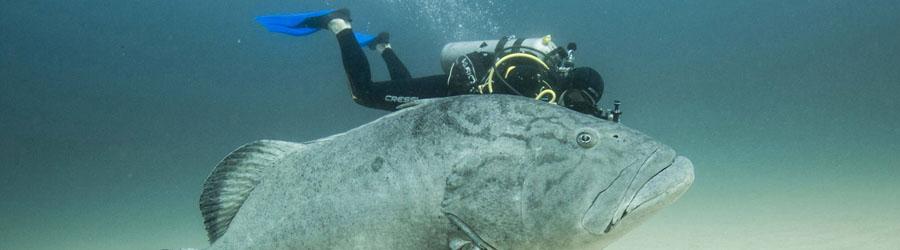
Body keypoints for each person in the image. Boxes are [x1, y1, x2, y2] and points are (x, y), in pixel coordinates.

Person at [257, 8, 619, 121]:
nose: (576, 108)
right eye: (578, 100)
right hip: (455, 91)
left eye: (584, 106)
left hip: (452, 101)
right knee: (365, 95)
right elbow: (498, 86)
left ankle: (383, 47)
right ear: (570, 81)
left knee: (403, 96)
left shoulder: (553, 95)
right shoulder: (534, 73)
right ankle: (340, 25)